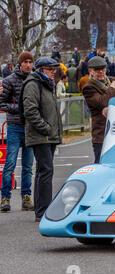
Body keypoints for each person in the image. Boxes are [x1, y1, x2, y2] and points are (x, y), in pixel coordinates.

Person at [21, 57, 63, 222]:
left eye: (54, 69)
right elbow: (30, 111)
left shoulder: (45, 84)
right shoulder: (33, 84)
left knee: (43, 171)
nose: (54, 72)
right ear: (40, 70)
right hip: (41, 135)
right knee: (45, 170)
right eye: (50, 69)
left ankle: (41, 209)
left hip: (47, 135)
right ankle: (43, 210)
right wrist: (46, 128)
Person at [0, 52, 35, 212]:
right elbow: (2, 103)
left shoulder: (35, 80)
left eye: (30, 62)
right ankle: (5, 197)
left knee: (28, 166)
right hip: (14, 126)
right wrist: (21, 109)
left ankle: (26, 197)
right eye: (25, 62)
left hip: (30, 128)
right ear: (19, 64)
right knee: (10, 164)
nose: (28, 65)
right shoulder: (9, 81)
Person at [82, 56, 115, 164]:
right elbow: (103, 101)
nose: (100, 72)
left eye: (103, 68)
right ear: (90, 71)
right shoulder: (88, 87)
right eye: (97, 69)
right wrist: (112, 89)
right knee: (101, 165)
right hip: (101, 134)